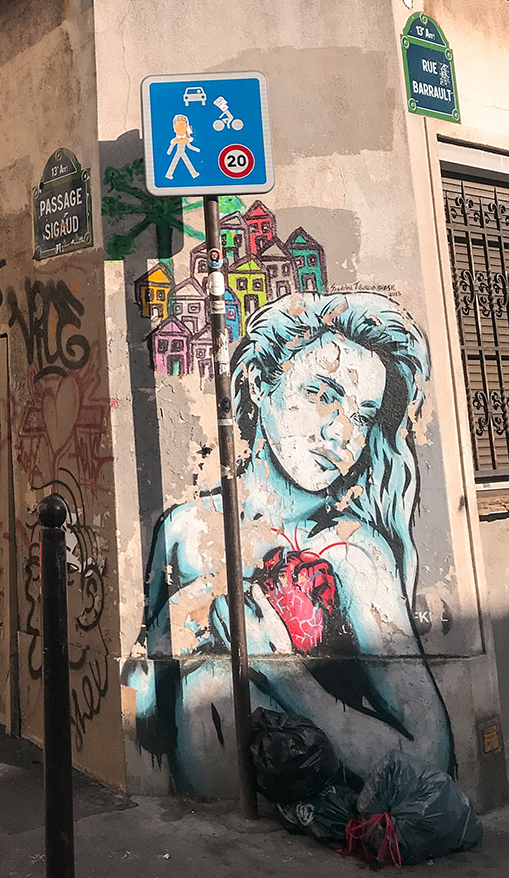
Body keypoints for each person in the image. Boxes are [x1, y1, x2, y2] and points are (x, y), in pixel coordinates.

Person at [133, 292, 452, 794]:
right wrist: (177, 630)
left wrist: (287, 675)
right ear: (258, 383)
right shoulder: (185, 530)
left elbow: (431, 757)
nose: (342, 433)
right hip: (203, 831)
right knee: (209, 684)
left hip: (318, 819)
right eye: (323, 394)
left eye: (363, 416)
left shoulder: (356, 555)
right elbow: (148, 724)